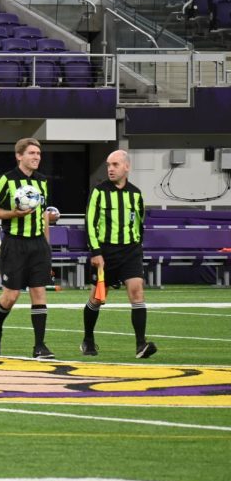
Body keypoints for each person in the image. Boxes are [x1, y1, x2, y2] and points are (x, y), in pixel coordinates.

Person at [82, 150, 156, 359]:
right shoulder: (99, 191)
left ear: (127, 167)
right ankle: (88, 339)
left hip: (130, 252)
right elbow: (90, 223)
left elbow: (139, 222)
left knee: (137, 293)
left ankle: (141, 344)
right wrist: (96, 252)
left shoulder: (136, 193)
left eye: (115, 165)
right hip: (105, 253)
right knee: (97, 299)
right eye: (108, 165)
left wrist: (137, 247)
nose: (111, 169)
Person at [0, 138, 54, 359]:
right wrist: (13, 214)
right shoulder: (6, 180)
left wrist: (46, 244)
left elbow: (43, 214)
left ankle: (40, 346)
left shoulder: (42, 181)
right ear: (19, 156)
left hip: (38, 245)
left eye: (38, 153)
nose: (36, 157)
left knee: (39, 291)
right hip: (14, 243)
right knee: (11, 296)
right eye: (32, 153)